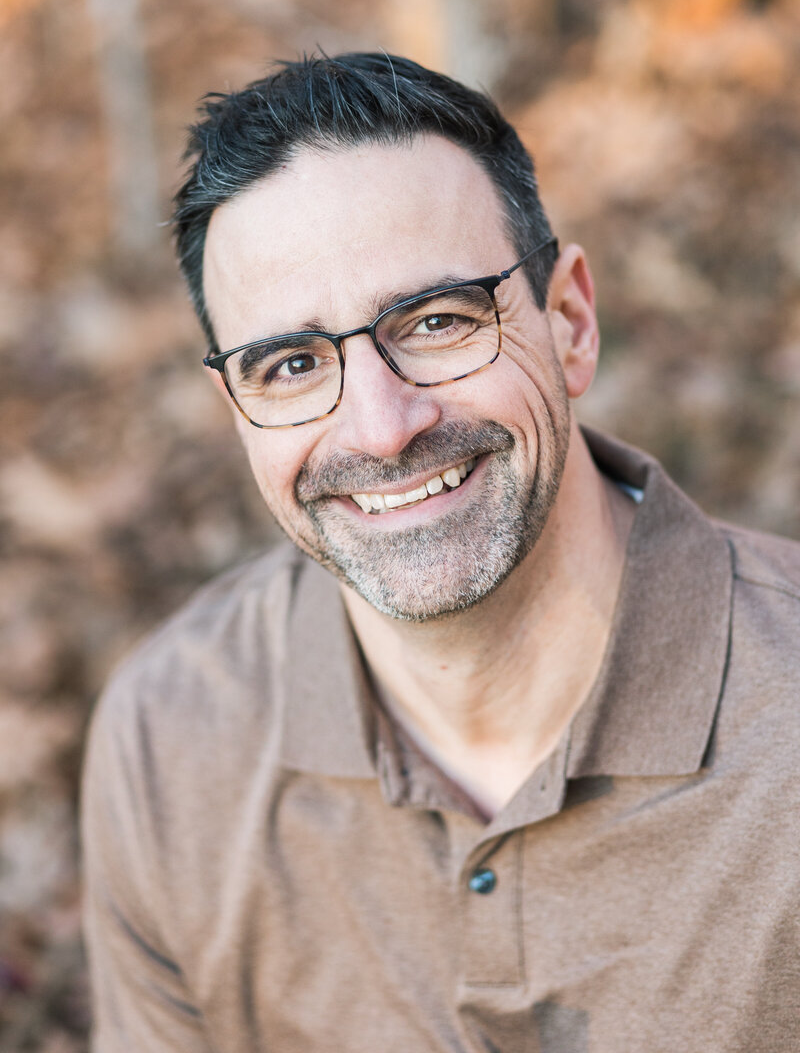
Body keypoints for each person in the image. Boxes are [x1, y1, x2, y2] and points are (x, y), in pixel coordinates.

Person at [81, 53, 800, 1053]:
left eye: (436, 321)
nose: (379, 428)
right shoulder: (174, 737)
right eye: (290, 364)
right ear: (238, 412)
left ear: (569, 323)